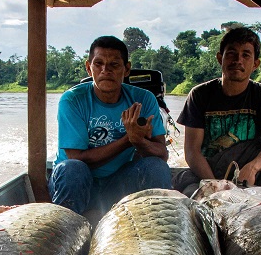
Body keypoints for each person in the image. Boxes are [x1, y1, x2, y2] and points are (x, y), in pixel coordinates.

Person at [50, 36, 171, 218]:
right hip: (74, 184)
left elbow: (161, 155)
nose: (105, 70)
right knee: (72, 169)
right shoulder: (72, 100)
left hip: (117, 182)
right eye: (98, 64)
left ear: (126, 69)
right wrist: (128, 140)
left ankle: (154, 230)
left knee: (155, 167)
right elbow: (77, 158)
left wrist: (140, 142)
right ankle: (67, 228)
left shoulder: (144, 99)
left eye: (114, 65)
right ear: (88, 68)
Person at [174, 26, 261, 197]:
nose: (238, 60)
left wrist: (252, 168)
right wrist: (216, 185)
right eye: (231, 53)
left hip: (252, 171)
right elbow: (192, 151)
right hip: (210, 170)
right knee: (187, 189)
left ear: (255, 64)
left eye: (246, 55)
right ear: (220, 58)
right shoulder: (199, 95)